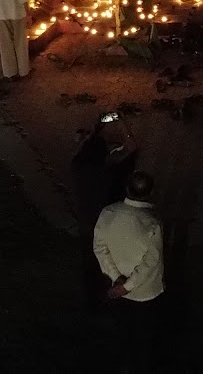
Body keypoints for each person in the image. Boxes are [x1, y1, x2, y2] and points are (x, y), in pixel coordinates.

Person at [94, 172, 165, 372]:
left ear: (126, 189)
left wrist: (117, 280)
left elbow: (100, 248)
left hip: (115, 290)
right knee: (144, 338)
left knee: (122, 333)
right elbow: (152, 261)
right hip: (145, 293)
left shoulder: (108, 213)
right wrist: (127, 287)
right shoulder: (152, 222)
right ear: (151, 192)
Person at [73, 116, 139, 308]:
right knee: (111, 264)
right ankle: (114, 298)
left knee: (89, 264)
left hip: (85, 224)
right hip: (107, 227)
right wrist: (123, 120)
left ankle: (92, 301)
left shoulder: (76, 167)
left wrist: (94, 132)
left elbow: (81, 150)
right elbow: (134, 147)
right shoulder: (111, 174)